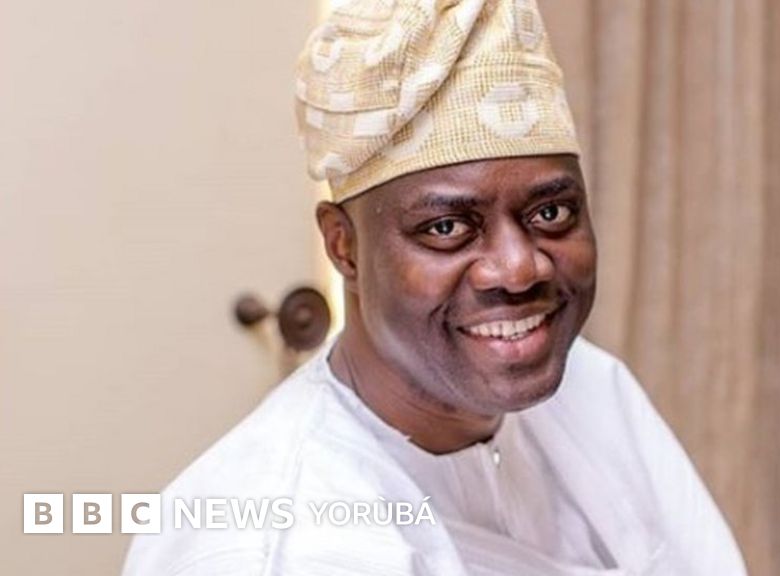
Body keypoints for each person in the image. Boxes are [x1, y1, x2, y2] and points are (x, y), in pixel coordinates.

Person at [122, 1, 747, 574]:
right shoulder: (278, 545)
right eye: (447, 227)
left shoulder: (593, 388)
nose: (519, 269)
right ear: (344, 247)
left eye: (550, 213)